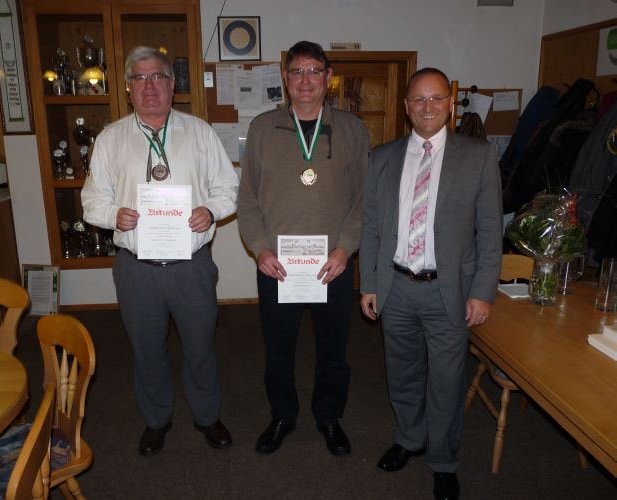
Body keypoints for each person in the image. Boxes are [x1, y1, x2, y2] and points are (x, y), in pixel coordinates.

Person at [81, 46, 239, 457]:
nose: (149, 86)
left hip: (191, 266)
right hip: (137, 268)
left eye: (157, 77)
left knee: (200, 345)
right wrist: (114, 215)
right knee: (146, 349)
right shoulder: (111, 138)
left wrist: (211, 210)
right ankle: (156, 420)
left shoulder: (199, 132)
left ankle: (207, 415)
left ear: (172, 85)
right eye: (140, 78)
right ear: (128, 88)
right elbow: (91, 201)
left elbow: (229, 188)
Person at [359, 68, 502, 500]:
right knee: (402, 374)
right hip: (397, 287)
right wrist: (369, 283)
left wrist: (482, 292)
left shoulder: (478, 156)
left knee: (446, 381)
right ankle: (410, 438)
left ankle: (442, 461)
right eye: (419, 99)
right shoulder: (381, 158)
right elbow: (371, 227)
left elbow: (490, 231)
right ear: (406, 107)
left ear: (450, 105)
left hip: (449, 291)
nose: (427, 107)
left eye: (436, 98)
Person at [238, 41, 370, 456]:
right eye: (297, 71)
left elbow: (364, 199)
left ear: (328, 78)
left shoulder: (352, 129)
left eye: (314, 71)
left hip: (333, 264)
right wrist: (260, 250)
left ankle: (329, 417)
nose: (306, 80)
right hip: (278, 265)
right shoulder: (263, 129)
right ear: (286, 79)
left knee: (333, 350)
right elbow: (247, 200)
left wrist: (345, 249)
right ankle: (282, 415)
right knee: (279, 350)